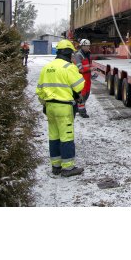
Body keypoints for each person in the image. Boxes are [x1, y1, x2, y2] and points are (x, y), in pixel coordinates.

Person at [36, 39, 86, 177]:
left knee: (54, 136)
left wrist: (45, 104)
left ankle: (56, 166)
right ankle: (68, 168)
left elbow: (39, 90)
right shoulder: (68, 67)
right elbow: (79, 86)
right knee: (66, 137)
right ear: (69, 53)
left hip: (50, 106)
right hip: (63, 107)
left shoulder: (47, 67)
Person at [73, 38, 93, 118]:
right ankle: (82, 112)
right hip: (81, 79)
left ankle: (78, 108)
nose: (88, 47)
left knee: (86, 95)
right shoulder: (78, 55)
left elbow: (87, 64)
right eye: (87, 46)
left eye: (89, 46)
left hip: (87, 79)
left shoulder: (87, 54)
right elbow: (79, 69)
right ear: (82, 46)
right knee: (82, 96)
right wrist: (89, 69)